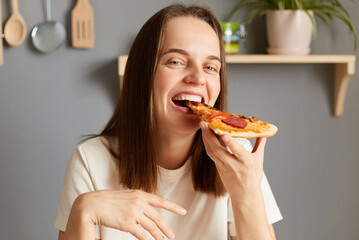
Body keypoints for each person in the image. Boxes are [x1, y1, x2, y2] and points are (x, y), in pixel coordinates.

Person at [55, 4, 282, 240]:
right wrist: (83, 211)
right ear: (144, 74)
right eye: (176, 61)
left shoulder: (236, 158)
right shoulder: (91, 160)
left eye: (210, 67)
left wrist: (247, 195)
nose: (197, 78)